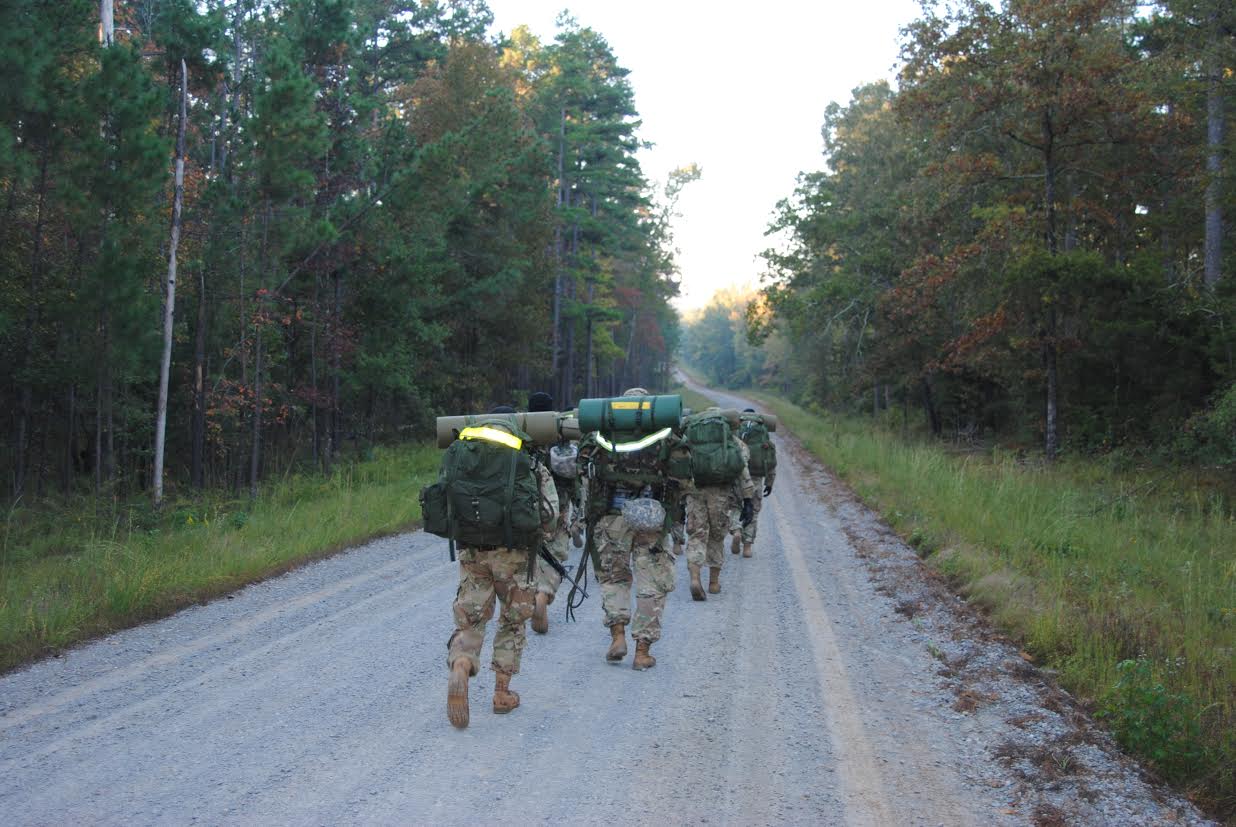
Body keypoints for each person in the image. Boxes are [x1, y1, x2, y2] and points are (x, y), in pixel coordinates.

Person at [444, 407, 559, 729]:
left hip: (473, 553)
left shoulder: (462, 457)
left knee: (472, 618)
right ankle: (501, 694)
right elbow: (550, 516)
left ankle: (462, 664)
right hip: (516, 557)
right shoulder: (529, 463)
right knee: (512, 622)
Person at [579, 387, 683, 670]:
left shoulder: (601, 432)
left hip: (611, 517)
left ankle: (617, 638)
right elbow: (683, 476)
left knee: (615, 579)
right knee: (652, 582)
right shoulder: (665, 432)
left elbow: (582, 466)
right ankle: (642, 651)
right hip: (651, 518)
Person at [684, 408, 754, 600]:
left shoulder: (691, 438)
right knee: (716, 536)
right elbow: (742, 468)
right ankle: (713, 583)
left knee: (696, 535)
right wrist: (748, 499)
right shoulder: (732, 441)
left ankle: (695, 578)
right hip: (720, 493)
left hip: (694, 490)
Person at [528, 391, 581, 635]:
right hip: (556, 504)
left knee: (528, 553)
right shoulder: (561, 431)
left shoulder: (521, 429)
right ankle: (544, 594)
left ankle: (529, 592)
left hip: (524, 504)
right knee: (555, 553)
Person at [737, 408, 777, 557]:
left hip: (737, 478)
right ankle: (747, 546)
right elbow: (771, 461)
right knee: (753, 512)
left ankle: (735, 529)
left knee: (735, 507)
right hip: (755, 479)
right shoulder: (763, 436)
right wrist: (770, 482)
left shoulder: (736, 431)